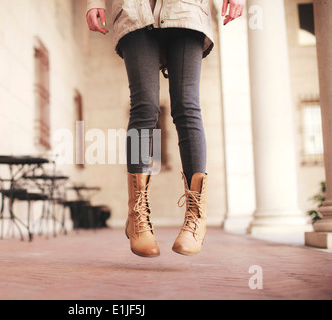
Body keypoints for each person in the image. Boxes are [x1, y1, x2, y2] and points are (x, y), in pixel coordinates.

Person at [86, 0, 245, 257]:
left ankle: (196, 216)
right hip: (134, 9)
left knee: (186, 106)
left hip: (186, 8)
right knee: (144, 107)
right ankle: (136, 214)